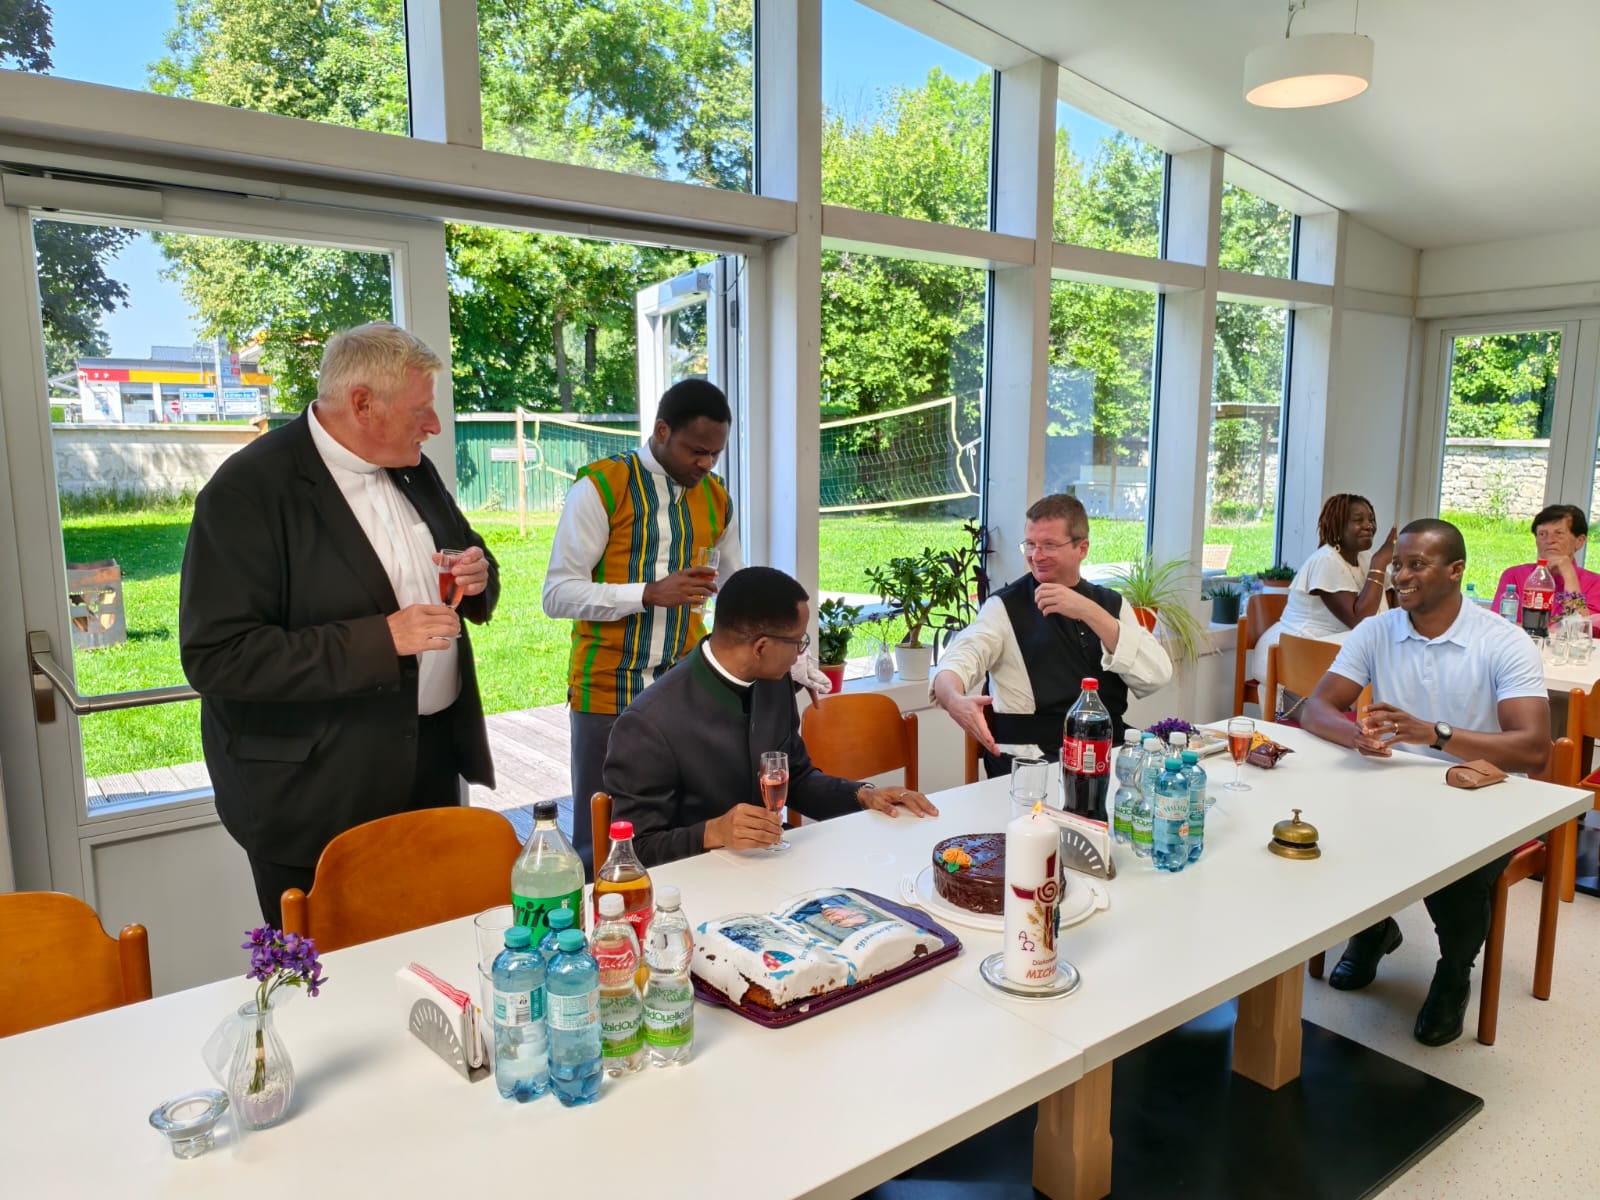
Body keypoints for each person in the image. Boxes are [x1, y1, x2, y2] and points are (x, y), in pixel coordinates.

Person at [180, 322, 499, 927]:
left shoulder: (412, 468)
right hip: (317, 793)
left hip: (427, 767)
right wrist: (384, 639)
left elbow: (468, 555)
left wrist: (477, 575)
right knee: (328, 972)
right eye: (421, 410)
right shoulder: (248, 491)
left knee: (434, 951)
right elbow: (218, 656)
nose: (434, 425)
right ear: (362, 404)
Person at [1300, 518, 1550, 1047]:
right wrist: (1356, 737)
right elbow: (1316, 708)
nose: (1401, 576)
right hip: (1395, 785)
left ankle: (1454, 974)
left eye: (1417, 565)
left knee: (1457, 875)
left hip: (1483, 796)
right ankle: (1373, 931)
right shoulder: (1377, 630)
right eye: (1398, 565)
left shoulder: (1502, 642)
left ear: (1456, 571)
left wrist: (1434, 734)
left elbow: (1533, 750)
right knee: (1329, 840)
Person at [603, 567, 937, 866]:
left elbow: (798, 780)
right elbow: (636, 849)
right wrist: (713, 832)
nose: (801, 654)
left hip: (776, 867)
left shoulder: (774, 684)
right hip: (698, 886)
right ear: (761, 647)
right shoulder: (648, 724)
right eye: (798, 642)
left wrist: (862, 795)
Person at [542, 378, 743, 874]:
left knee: (684, 829)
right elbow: (557, 594)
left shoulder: (717, 499)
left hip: (686, 691)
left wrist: (792, 655)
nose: (707, 464)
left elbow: (736, 589)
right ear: (661, 430)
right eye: (697, 451)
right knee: (603, 840)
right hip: (607, 689)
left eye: (715, 454)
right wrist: (647, 593)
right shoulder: (601, 487)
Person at [930, 493, 1172, 775]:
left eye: (1049, 545)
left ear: (1082, 548)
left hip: (1111, 756)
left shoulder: (1112, 604)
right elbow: (960, 659)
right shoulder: (1003, 607)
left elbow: (1157, 676)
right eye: (1030, 544)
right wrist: (953, 699)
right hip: (1030, 765)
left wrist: (1088, 611)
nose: (1036, 555)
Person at [1247, 493, 1396, 691]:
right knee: (1376, 647)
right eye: (1358, 520)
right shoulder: (1326, 561)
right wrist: (1380, 563)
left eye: (1371, 519)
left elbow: (1394, 609)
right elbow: (1359, 620)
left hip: (1328, 651)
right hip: (1292, 653)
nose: (1369, 526)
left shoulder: (1365, 558)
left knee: (1389, 646)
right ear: (1338, 526)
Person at [1493, 503, 1600, 621]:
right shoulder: (1514, 575)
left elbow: (1581, 626)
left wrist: (1568, 573)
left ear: (1579, 541)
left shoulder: (1595, 584)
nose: (1549, 540)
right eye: (1542, 534)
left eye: (1559, 533)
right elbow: (1498, 624)